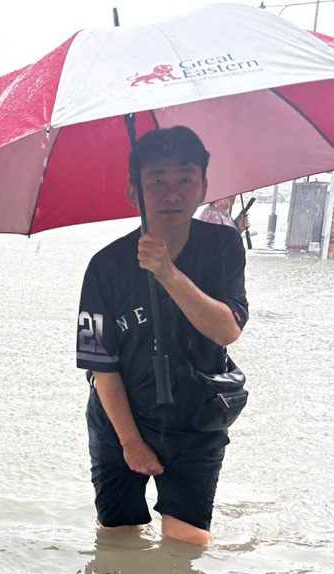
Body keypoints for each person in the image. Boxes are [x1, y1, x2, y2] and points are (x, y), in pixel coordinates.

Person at [76, 126, 248, 547]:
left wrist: (167, 272)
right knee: (117, 544)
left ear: (203, 185)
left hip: (197, 418)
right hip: (119, 421)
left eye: (185, 179)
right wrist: (131, 443)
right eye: (157, 181)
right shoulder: (105, 265)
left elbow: (227, 330)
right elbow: (100, 364)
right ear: (135, 192)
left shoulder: (223, 245)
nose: (172, 193)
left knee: (187, 550)